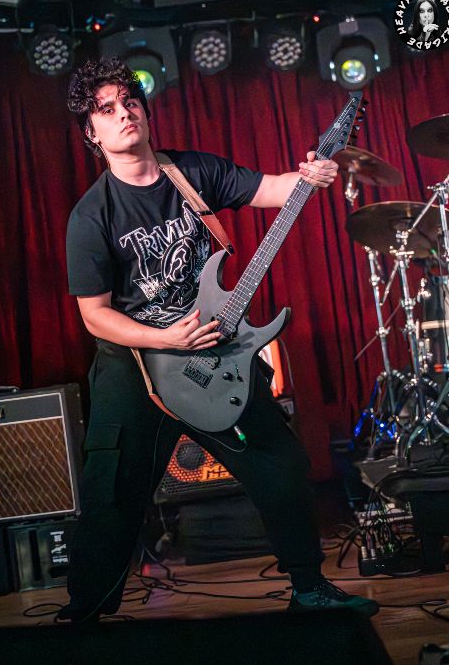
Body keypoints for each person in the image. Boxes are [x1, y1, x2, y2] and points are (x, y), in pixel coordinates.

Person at [61, 57, 378, 624]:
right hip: (136, 365)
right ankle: (86, 616)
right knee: (112, 493)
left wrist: (311, 175)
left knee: (281, 463)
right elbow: (95, 316)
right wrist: (163, 336)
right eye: (106, 110)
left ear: (145, 111)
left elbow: (273, 189)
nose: (124, 113)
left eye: (129, 102)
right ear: (92, 133)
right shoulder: (92, 216)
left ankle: (310, 587)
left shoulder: (192, 172)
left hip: (212, 352)